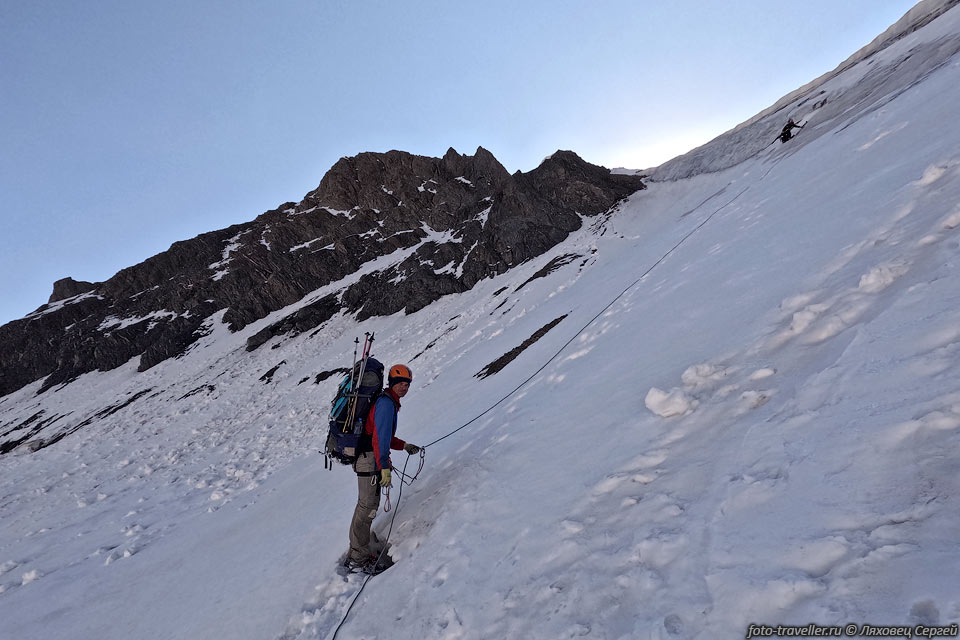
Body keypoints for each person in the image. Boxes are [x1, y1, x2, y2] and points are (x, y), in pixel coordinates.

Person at [346, 363, 421, 573]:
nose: (404, 388)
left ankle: (359, 549)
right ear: (392, 383)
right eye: (401, 384)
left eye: (407, 385)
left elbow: (383, 436)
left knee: (367, 505)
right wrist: (384, 467)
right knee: (367, 506)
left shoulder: (388, 402)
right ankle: (358, 559)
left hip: (370, 458)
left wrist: (403, 445)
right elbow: (379, 439)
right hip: (370, 459)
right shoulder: (387, 404)